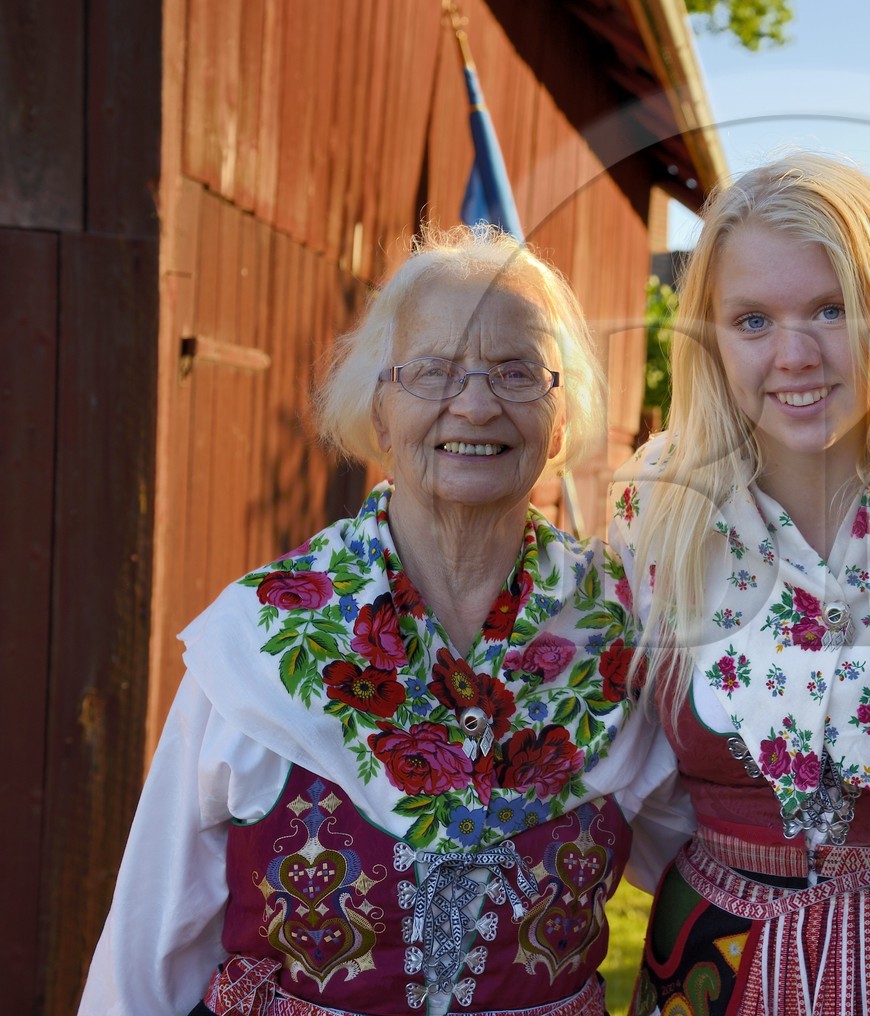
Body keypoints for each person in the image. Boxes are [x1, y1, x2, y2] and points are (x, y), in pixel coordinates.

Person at [79, 226, 672, 1016]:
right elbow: (147, 952)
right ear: (380, 414)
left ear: (560, 422)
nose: (476, 402)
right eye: (433, 371)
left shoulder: (621, 637)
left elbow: (721, 856)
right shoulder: (259, 641)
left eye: (517, 371)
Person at [608, 152, 870, 1016]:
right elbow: (631, 771)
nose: (795, 355)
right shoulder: (651, 504)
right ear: (711, 337)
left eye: (833, 309)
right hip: (713, 961)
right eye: (752, 320)